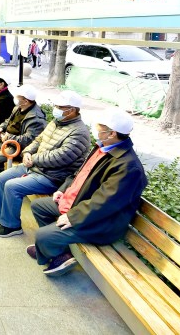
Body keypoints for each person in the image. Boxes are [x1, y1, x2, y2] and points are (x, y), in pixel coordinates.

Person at [27, 108, 147, 277]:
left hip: (101, 222)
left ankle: (52, 251)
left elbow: (105, 203)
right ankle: (58, 252)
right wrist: (63, 190)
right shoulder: (103, 148)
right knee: (39, 206)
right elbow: (79, 174)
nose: (95, 129)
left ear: (112, 133)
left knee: (43, 236)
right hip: (81, 204)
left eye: (99, 127)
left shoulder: (128, 167)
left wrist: (73, 217)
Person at [0, 90, 90, 238]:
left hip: (53, 176)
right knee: (2, 178)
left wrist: (33, 159)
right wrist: (28, 152)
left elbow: (60, 157)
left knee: (12, 186)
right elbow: (38, 140)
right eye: (56, 106)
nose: (56, 109)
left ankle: (11, 225)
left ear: (72, 110)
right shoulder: (56, 122)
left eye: (60, 107)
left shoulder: (79, 132)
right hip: (35, 167)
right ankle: (0, 218)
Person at [0, 84, 47, 189]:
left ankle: (1, 182)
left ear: (26, 101)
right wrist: (1, 127)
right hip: (7, 141)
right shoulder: (18, 108)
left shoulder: (36, 118)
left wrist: (9, 137)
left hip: (18, 147)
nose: (15, 98)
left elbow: (29, 140)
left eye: (18, 97)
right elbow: (7, 121)